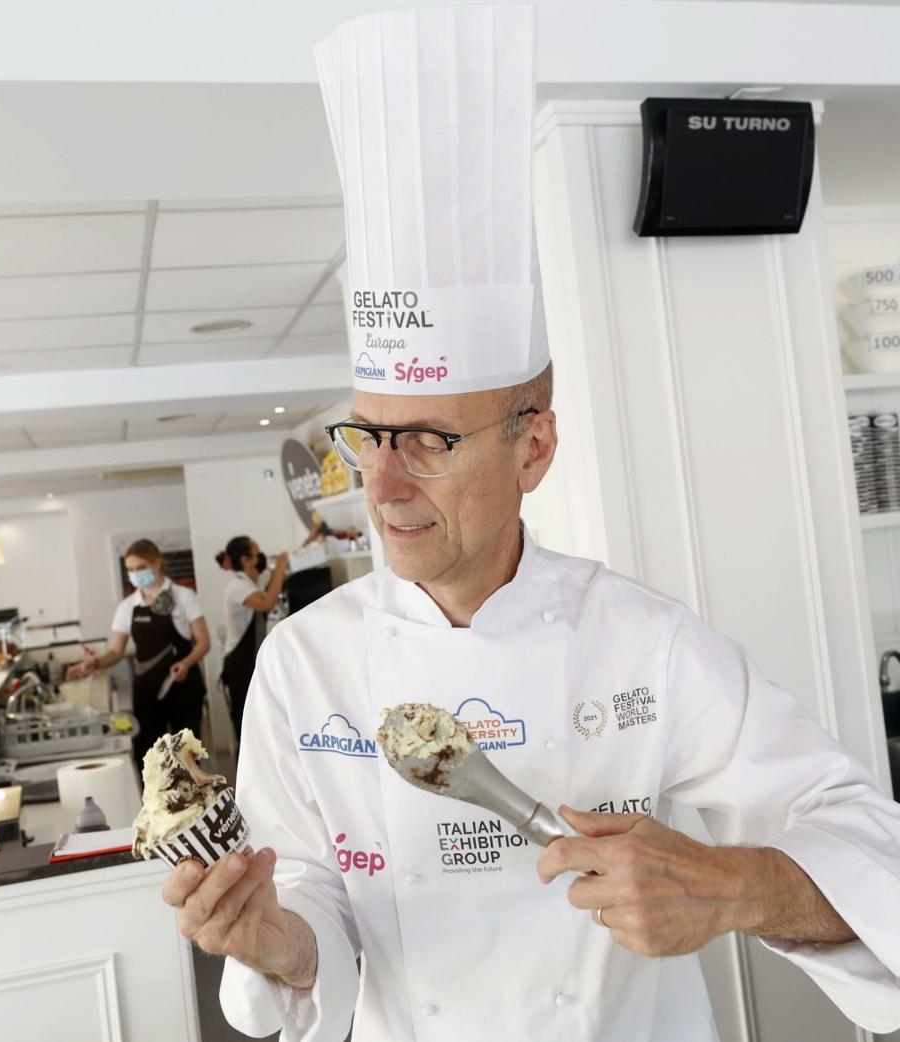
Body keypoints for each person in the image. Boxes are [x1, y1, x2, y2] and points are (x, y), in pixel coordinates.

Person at [159, 9, 900, 1042]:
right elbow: (318, 898)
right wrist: (273, 938)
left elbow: (867, 832)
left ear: (534, 447)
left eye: (429, 441)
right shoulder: (302, 663)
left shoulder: (643, 641)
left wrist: (732, 886)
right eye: (367, 437)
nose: (382, 486)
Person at [68, 539, 210, 765]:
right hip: (148, 692)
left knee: (187, 760)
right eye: (130, 570)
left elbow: (203, 642)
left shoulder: (184, 597)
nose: (135, 574)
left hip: (184, 689)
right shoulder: (128, 606)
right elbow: (115, 651)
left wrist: (187, 663)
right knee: (152, 761)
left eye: (140, 568)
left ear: (156, 564)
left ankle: (190, 800)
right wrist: (93, 663)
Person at [215, 536, 288, 739]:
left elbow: (274, 583)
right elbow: (266, 603)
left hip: (249, 661)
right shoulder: (237, 586)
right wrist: (280, 567)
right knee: (246, 726)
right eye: (257, 554)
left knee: (260, 723)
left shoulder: (250, 582)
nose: (261, 557)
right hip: (239, 665)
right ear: (246, 560)